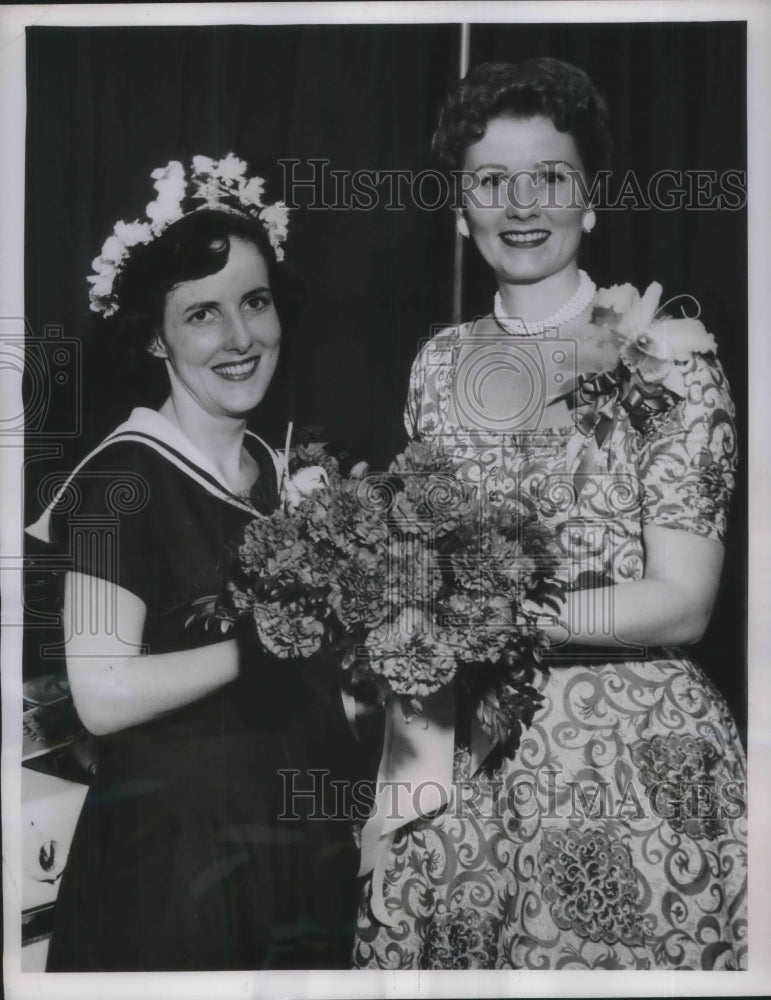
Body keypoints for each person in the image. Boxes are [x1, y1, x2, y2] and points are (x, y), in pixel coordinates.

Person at [352, 59, 747, 970]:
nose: (521, 203)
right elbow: (417, 601)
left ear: (591, 199)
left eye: (551, 177)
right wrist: (398, 796)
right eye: (491, 180)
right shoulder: (437, 366)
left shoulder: (668, 356)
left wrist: (488, 619)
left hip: (636, 762)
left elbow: (682, 602)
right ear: (460, 208)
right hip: (466, 759)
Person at [28, 154, 361, 970]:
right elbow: (101, 695)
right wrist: (260, 646)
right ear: (153, 334)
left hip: (296, 851)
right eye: (202, 314)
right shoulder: (115, 481)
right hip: (176, 869)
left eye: (254, 302)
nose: (240, 337)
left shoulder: (288, 473)